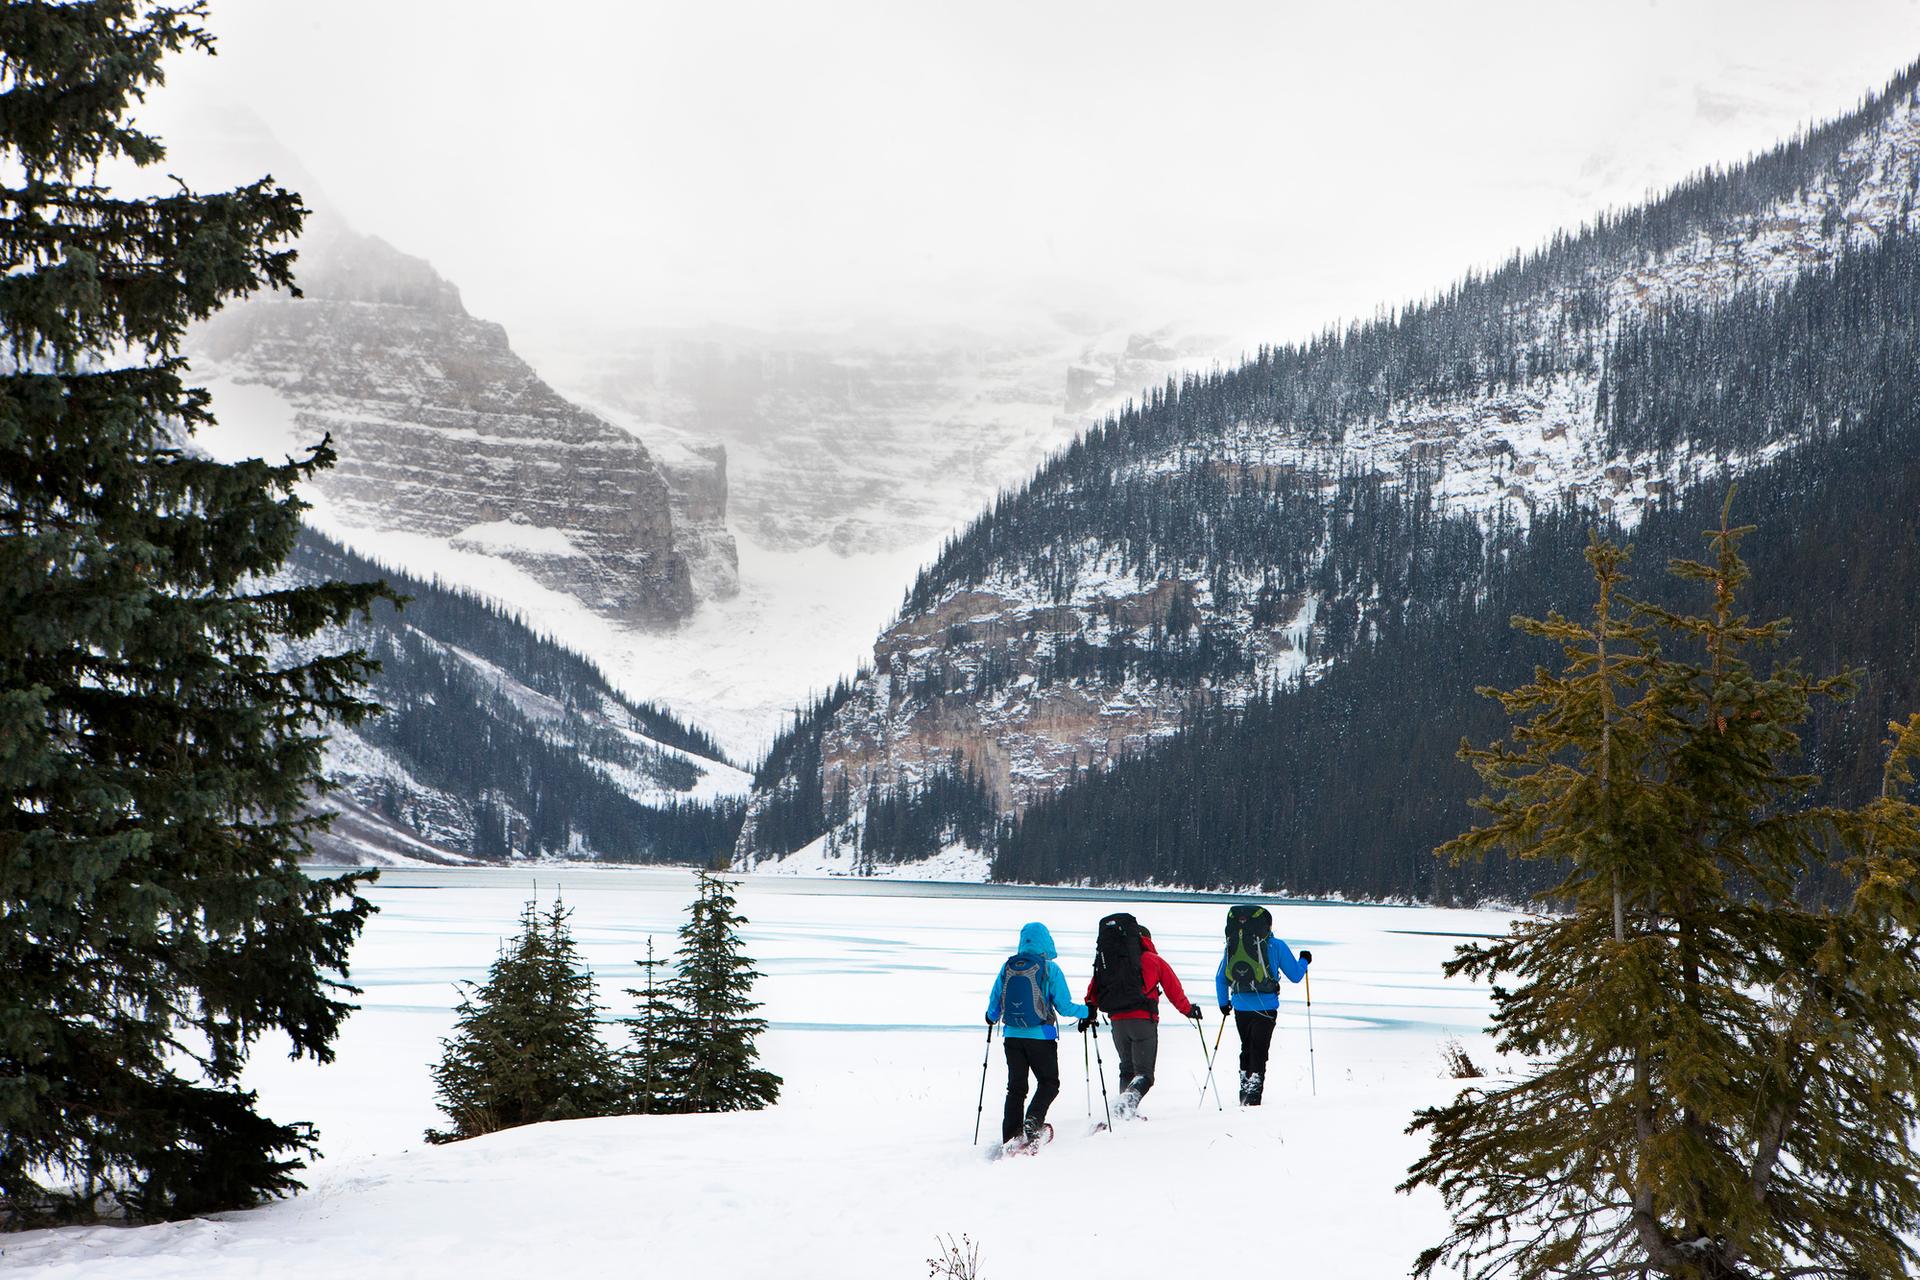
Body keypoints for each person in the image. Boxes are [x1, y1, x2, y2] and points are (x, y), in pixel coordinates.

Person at [1084, 915, 1201, 1119]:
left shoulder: (1110, 961)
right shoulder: (1152, 960)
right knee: (1144, 1074)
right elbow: (1174, 990)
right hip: (1142, 1021)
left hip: (1117, 1022)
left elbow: (1095, 987)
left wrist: (1090, 1010)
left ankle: (1125, 1113)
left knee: (1126, 1068)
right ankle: (1123, 1109)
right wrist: (1188, 1010)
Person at [985, 921, 1089, 1149]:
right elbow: (1064, 1007)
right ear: (1047, 941)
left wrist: (991, 1017)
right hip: (1041, 1037)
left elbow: (994, 1005)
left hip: (1012, 1036)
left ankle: (1011, 1137)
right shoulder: (1050, 969)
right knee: (1049, 1083)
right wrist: (1086, 1011)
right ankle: (1033, 1123)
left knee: (1016, 1088)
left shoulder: (1008, 967)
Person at [1213, 904, 1310, 1106]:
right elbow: (1296, 976)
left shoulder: (1232, 946)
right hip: (1266, 1007)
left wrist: (1224, 1003)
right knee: (1259, 1051)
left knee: (1246, 1047)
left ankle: (1244, 1091)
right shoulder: (1276, 945)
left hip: (1240, 1006)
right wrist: (1304, 960)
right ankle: (1253, 1097)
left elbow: (1220, 978)